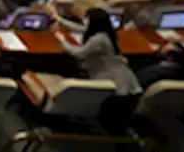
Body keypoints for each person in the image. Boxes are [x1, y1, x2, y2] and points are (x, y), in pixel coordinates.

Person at [53, 7, 143, 136]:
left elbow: (79, 53)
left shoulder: (99, 39)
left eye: (86, 19)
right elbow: (79, 28)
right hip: (121, 75)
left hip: (116, 81)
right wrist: (59, 19)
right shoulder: (105, 32)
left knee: (114, 119)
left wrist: (62, 40)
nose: (84, 21)